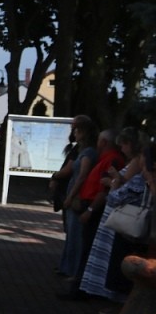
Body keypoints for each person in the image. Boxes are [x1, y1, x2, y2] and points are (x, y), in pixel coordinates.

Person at [80, 130, 147, 311]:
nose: (121, 148)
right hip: (119, 213)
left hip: (123, 215)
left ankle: (116, 299)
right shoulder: (134, 164)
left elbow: (123, 190)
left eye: (124, 144)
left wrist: (114, 182)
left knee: (118, 258)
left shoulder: (137, 165)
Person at [61, 128, 123, 301]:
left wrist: (90, 210)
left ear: (103, 142)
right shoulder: (104, 158)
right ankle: (81, 285)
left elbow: (103, 190)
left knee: (87, 248)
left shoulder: (111, 159)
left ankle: (81, 289)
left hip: (94, 208)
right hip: (90, 204)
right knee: (86, 246)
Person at [58, 116, 98, 280]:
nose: (74, 133)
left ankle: (74, 270)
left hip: (77, 196)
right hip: (74, 191)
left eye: (77, 130)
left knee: (76, 234)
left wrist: (71, 196)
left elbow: (82, 176)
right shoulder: (81, 151)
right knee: (71, 233)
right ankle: (67, 267)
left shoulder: (88, 152)